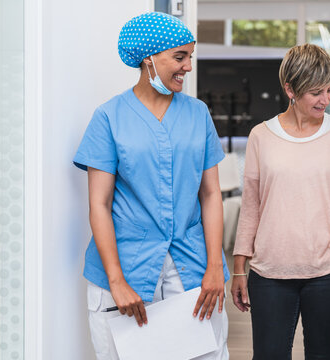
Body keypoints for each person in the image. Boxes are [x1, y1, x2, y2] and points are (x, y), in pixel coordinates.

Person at [73, 12, 229, 360]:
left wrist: (215, 266)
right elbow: (99, 203)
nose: (188, 66)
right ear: (148, 59)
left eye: (190, 56)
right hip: (125, 266)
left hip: (191, 264)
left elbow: (210, 193)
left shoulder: (197, 113)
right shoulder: (109, 117)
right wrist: (115, 280)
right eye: (180, 57)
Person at [231, 43, 330, 359]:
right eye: (316, 92)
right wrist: (240, 268)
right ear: (290, 88)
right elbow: (251, 205)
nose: (325, 100)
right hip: (269, 273)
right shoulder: (260, 137)